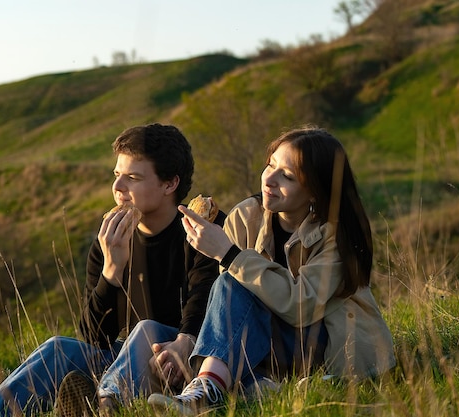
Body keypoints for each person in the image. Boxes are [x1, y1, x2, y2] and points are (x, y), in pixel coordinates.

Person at [0, 123, 225, 417]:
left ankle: (106, 404)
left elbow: (206, 294)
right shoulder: (109, 240)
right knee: (59, 348)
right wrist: (111, 271)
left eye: (132, 177)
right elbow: (95, 338)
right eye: (117, 175)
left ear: (169, 184)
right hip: (124, 361)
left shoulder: (202, 228)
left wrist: (186, 338)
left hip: (184, 358)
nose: (117, 188)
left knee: (146, 329)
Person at [148, 126, 396, 415]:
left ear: (315, 191)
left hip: (321, 347)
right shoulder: (245, 216)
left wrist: (229, 254)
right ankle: (208, 390)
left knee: (233, 278)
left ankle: (219, 388)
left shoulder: (336, 237)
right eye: (271, 165)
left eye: (287, 176)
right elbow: (230, 308)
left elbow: (300, 306)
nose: (270, 179)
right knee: (223, 287)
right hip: (264, 341)